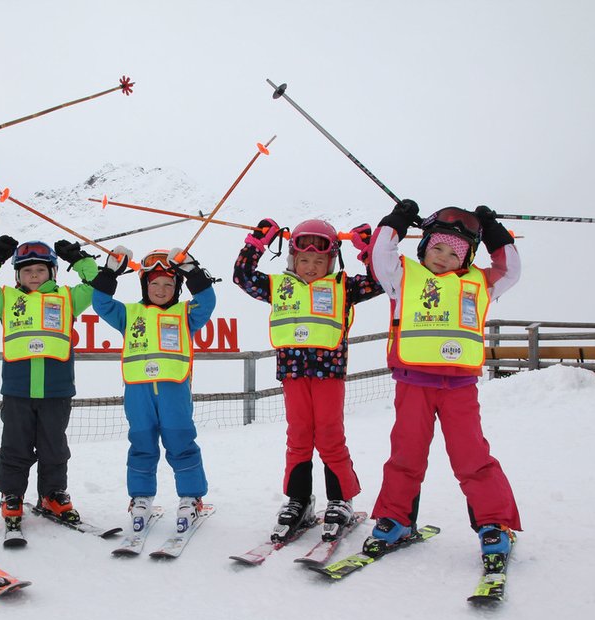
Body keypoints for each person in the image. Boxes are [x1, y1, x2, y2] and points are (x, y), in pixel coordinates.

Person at [357, 200, 522, 559]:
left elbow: (511, 269)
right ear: (424, 247)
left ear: (467, 259)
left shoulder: (481, 283)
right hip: (413, 385)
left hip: (459, 389)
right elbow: (379, 252)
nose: (445, 257)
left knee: (472, 457)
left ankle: (494, 523)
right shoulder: (403, 277)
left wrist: (493, 230)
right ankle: (395, 519)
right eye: (438, 248)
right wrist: (397, 219)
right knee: (405, 455)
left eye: (455, 253)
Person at [234, 218, 383, 542]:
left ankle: (341, 497)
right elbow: (242, 277)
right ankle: (299, 499)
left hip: (329, 374)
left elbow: (381, 279)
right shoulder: (279, 287)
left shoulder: (344, 286)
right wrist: (257, 243)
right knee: (299, 436)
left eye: (319, 261)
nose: (311, 266)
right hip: (293, 373)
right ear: (292, 259)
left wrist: (368, 249)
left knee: (330, 436)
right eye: (304, 260)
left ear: (331, 261)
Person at [0, 237, 99, 544]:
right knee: (15, 447)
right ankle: (11, 496)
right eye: (27, 271)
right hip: (18, 390)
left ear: (53, 273)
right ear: (17, 276)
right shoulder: (6, 300)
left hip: (56, 391)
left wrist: (79, 259)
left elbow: (97, 282)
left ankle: (52, 495)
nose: (35, 276)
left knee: (54, 447)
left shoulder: (69, 299)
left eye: (41, 270)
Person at [91, 246, 217, 534]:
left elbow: (207, 300)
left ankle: (191, 497)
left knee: (181, 443)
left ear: (177, 288)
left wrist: (192, 270)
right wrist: (110, 271)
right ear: (145, 285)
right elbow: (100, 302)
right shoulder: (129, 313)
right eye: (154, 283)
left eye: (169, 283)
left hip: (174, 394)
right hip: (138, 395)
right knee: (142, 445)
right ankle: (140, 499)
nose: (161, 289)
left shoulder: (186, 315)